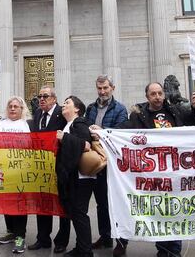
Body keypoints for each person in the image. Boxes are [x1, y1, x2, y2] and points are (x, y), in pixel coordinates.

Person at [119, 82, 195, 257]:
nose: (157, 97)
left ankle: (174, 250)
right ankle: (163, 249)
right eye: (153, 94)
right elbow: (123, 131)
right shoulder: (138, 116)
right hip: (152, 175)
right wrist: (105, 132)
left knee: (174, 210)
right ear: (147, 97)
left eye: (160, 93)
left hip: (175, 171)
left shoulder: (175, 111)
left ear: (164, 95)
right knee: (160, 212)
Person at [0, 96, 31, 254]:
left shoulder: (27, 125)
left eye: (16, 106)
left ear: (22, 109)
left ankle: (20, 237)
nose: (13, 108)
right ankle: (11, 231)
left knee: (19, 206)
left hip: (19, 171)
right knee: (6, 203)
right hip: (2, 171)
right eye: (10, 106)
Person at [86, 75, 128, 257]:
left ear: (113, 88)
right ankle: (105, 236)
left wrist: (101, 133)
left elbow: (120, 132)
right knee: (101, 203)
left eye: (105, 88)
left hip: (113, 162)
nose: (102, 92)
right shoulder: (91, 108)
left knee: (116, 203)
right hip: (96, 159)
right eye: (99, 88)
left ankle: (121, 240)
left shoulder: (120, 109)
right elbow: (85, 126)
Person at [27, 85, 70, 254]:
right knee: (43, 203)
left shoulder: (62, 113)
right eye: (40, 96)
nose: (42, 99)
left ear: (54, 98)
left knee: (62, 204)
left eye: (45, 96)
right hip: (42, 167)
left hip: (60, 166)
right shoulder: (37, 113)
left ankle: (61, 240)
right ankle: (43, 238)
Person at [56, 96, 94, 257]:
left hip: (81, 178)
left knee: (79, 214)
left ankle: (85, 251)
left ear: (77, 109)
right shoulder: (68, 125)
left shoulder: (79, 123)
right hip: (72, 177)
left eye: (67, 103)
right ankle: (81, 247)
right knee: (75, 214)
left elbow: (86, 145)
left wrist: (63, 138)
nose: (63, 105)